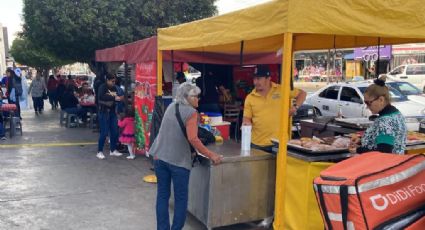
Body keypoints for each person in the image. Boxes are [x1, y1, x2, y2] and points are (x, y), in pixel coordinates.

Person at [150, 82, 223, 230]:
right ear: (186, 97)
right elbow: (193, 138)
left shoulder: (171, 106)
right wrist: (211, 155)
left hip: (159, 157)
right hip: (178, 162)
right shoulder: (191, 113)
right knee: (181, 199)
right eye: (195, 96)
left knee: (162, 196)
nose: (198, 99)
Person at [242, 64, 307, 153]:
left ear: (268, 78)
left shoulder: (281, 89)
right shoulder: (250, 97)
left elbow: (302, 94)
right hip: (257, 144)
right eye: (254, 79)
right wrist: (246, 123)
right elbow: (247, 118)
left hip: (279, 143)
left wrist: (295, 107)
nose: (256, 82)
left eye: (259, 78)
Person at [349, 76, 407, 155]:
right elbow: (381, 140)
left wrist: (358, 150)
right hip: (396, 163)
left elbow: (383, 151)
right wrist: (361, 140)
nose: (367, 107)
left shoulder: (385, 121)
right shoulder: (397, 114)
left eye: (369, 103)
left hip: (384, 165)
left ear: (381, 100)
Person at [96, 73, 122, 159]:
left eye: (115, 81)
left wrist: (119, 98)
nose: (114, 82)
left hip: (112, 112)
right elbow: (101, 97)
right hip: (104, 112)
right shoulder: (102, 87)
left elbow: (115, 96)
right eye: (112, 81)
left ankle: (113, 150)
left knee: (114, 131)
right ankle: (99, 151)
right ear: (107, 80)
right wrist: (114, 98)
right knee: (104, 132)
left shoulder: (114, 88)